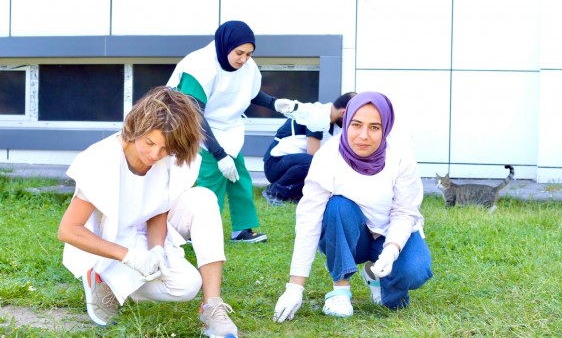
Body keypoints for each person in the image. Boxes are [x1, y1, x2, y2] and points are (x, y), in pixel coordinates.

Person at [58, 87, 239, 338]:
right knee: (164, 276)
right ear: (136, 129)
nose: (155, 155)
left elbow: (158, 208)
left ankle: (213, 306)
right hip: (111, 240)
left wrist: (157, 250)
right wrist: (129, 257)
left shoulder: (170, 156)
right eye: (149, 143)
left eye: (165, 149)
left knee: (188, 281)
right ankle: (103, 279)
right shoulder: (101, 159)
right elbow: (68, 230)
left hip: (149, 229)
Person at [272, 91, 433, 322]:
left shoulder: (400, 155)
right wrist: (294, 287)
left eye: (374, 127)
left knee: (415, 271)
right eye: (356, 124)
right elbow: (309, 219)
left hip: (388, 232)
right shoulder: (328, 157)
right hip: (350, 235)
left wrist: (392, 250)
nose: (363, 136)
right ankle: (340, 290)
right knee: (338, 205)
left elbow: (405, 211)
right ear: (346, 121)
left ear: (386, 127)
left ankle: (380, 281)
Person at [167, 20, 297, 243]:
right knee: (211, 181)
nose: (244, 59)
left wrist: (275, 104)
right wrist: (219, 155)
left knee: (240, 178)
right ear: (226, 45)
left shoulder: (246, 65)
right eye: (240, 53)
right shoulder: (199, 67)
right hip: (193, 126)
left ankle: (242, 229)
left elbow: (250, 92)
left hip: (226, 127)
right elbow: (193, 115)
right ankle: (199, 231)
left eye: (249, 53)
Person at [262, 92, 356, 206]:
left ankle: (293, 194)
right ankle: (275, 191)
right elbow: (314, 155)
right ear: (344, 113)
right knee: (315, 162)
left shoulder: (337, 126)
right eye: (353, 119)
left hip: (294, 165)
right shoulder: (317, 115)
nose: (353, 123)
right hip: (274, 164)